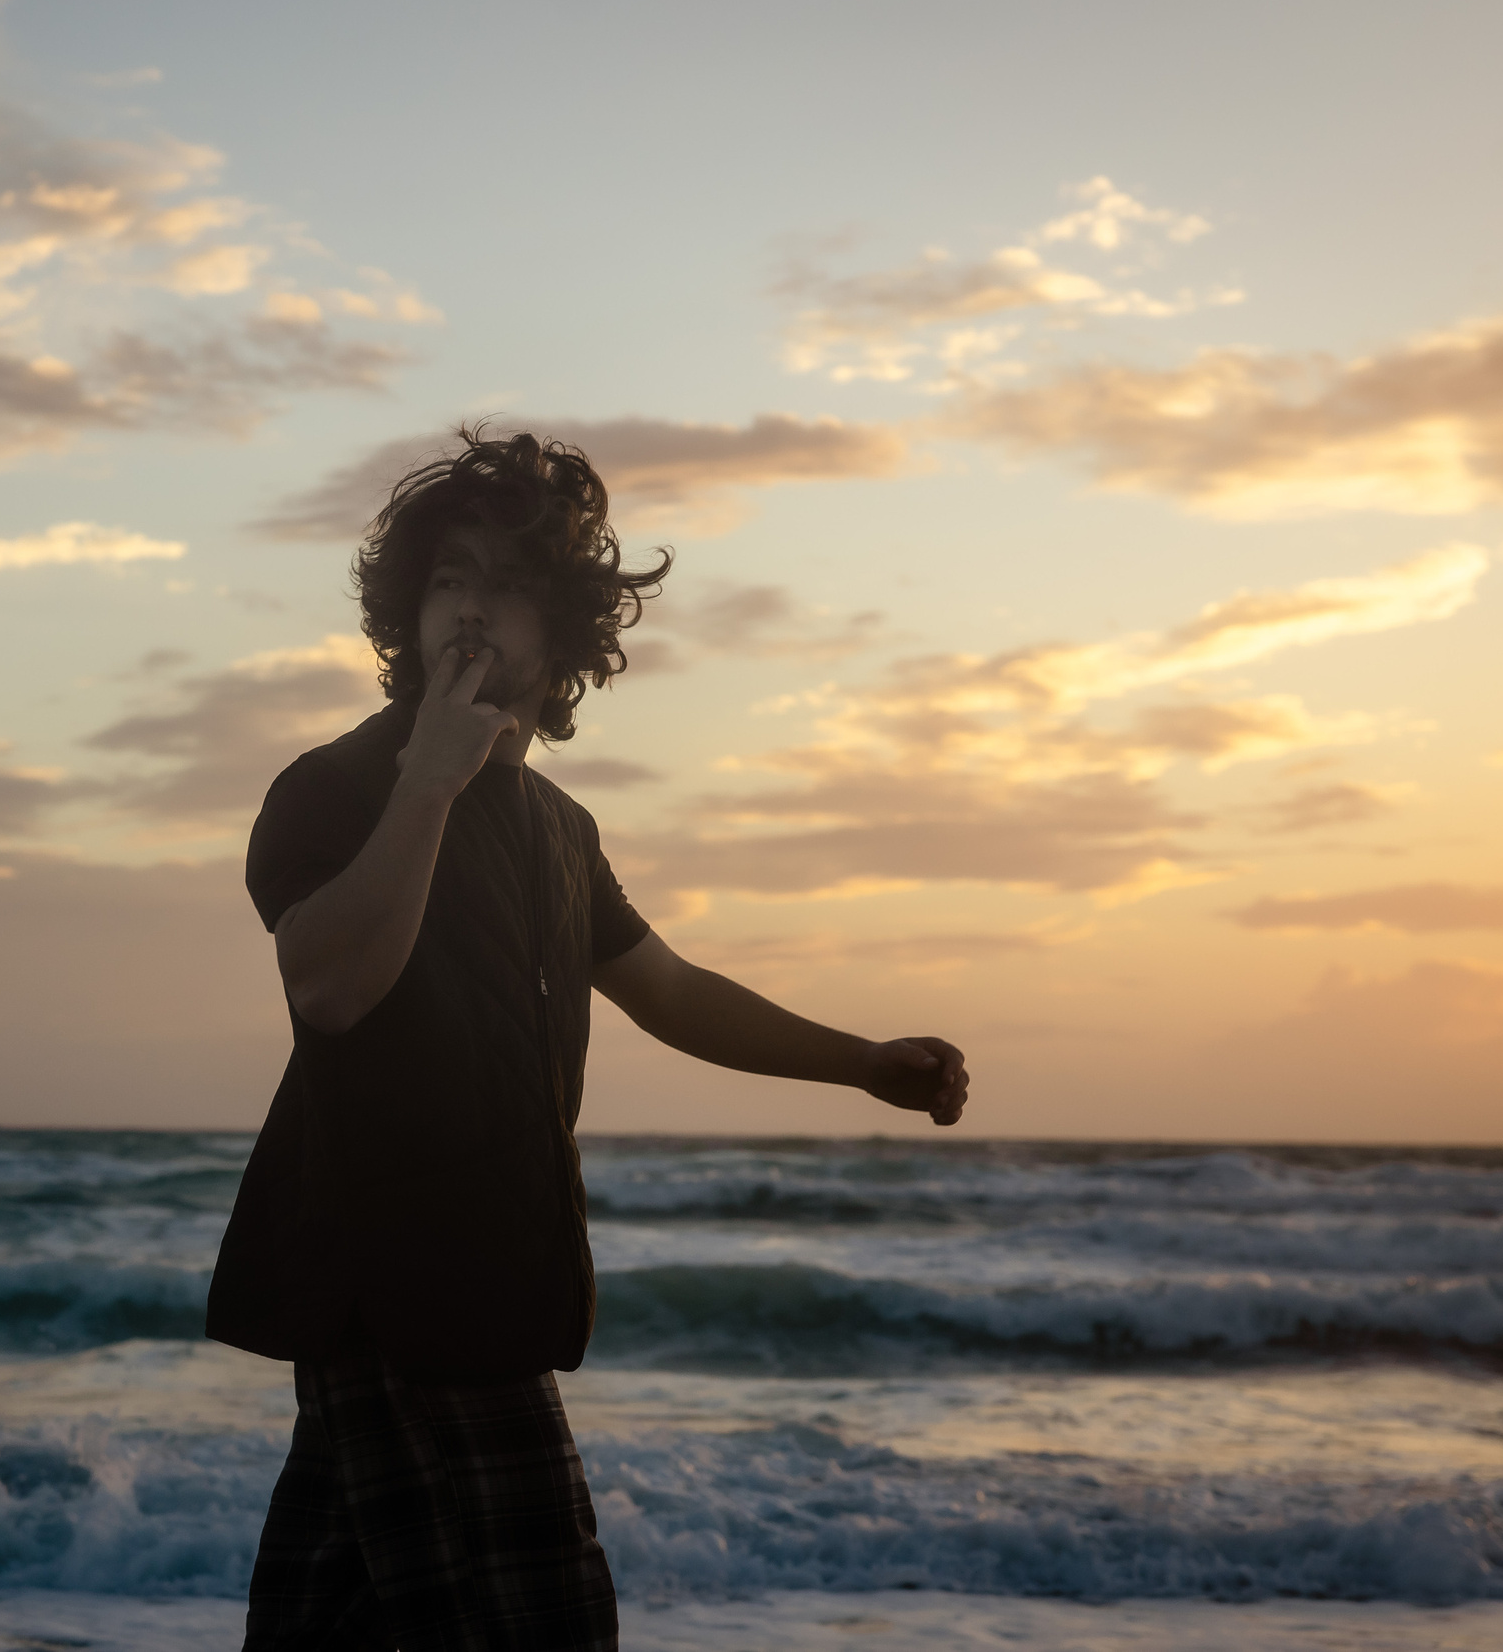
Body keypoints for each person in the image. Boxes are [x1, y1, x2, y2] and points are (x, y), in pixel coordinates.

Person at [209, 427, 970, 1651]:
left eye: (507, 585)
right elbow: (330, 986)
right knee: (547, 1621)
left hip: (492, 1277)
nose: (470, 608)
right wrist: (427, 783)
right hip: (407, 1285)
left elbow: (667, 989)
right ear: (408, 610)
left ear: (562, 631)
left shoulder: (559, 830)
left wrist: (860, 1060)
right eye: (448, 578)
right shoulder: (335, 787)